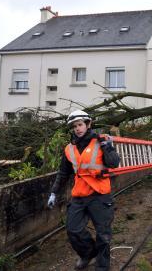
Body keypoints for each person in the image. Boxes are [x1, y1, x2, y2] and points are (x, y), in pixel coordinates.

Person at [47, 110, 120, 271]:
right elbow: (63, 173)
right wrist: (54, 192)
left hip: (100, 195)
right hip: (80, 194)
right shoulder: (69, 149)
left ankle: (102, 267)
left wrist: (108, 148)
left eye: (80, 124)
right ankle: (88, 253)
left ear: (88, 124)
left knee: (103, 235)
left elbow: (114, 163)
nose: (77, 129)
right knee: (73, 229)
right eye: (74, 126)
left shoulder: (101, 141)